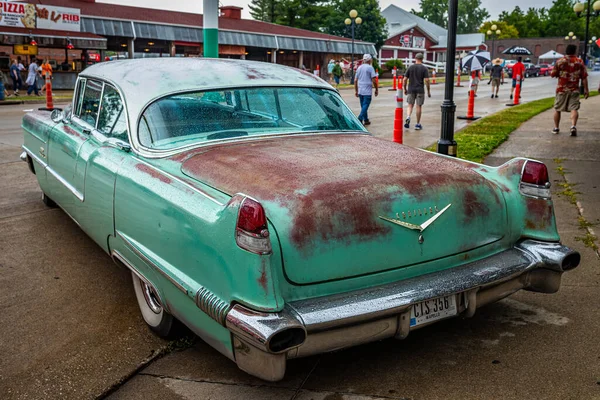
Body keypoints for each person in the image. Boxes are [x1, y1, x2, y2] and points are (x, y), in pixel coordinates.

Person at [550, 44, 589, 136]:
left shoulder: (560, 61)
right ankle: (573, 126)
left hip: (562, 89)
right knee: (574, 108)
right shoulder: (579, 62)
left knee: (557, 108)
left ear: (566, 50)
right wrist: (586, 90)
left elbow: (553, 74)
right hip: (574, 89)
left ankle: (556, 128)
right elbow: (584, 77)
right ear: (574, 51)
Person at [403, 53, 431, 130]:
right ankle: (417, 124)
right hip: (420, 90)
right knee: (418, 106)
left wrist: (405, 89)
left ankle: (408, 117)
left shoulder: (410, 67)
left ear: (415, 58)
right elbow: (427, 80)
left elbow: (405, 79)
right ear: (422, 59)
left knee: (410, 105)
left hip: (411, 89)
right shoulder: (424, 68)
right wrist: (428, 91)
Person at [354, 54, 378, 125]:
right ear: (370, 60)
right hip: (367, 91)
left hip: (360, 90)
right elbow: (374, 80)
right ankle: (360, 118)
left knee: (363, 106)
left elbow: (355, 80)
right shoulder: (370, 68)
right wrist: (376, 89)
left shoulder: (359, 68)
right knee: (366, 105)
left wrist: (356, 90)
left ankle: (366, 119)